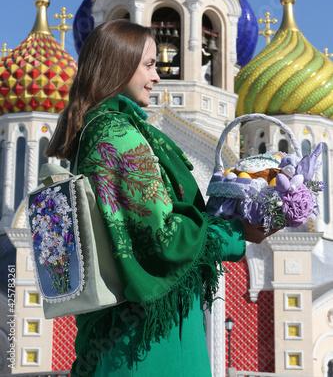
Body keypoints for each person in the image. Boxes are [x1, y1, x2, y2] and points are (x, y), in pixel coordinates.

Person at [46, 20, 274, 377]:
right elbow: (163, 239)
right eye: (149, 65)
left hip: (129, 334)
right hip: (147, 342)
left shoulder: (105, 129)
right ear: (119, 64)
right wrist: (237, 231)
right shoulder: (115, 134)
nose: (157, 76)